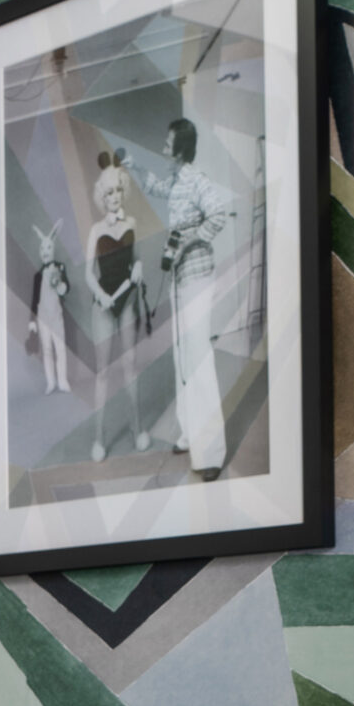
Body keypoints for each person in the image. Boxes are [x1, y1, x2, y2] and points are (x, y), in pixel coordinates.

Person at [153, 116, 229, 478]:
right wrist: (133, 168)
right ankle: (189, 434)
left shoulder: (197, 180)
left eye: (168, 143)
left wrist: (191, 239)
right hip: (179, 279)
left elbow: (218, 214)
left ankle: (211, 454)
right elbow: (160, 189)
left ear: (181, 149)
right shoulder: (177, 180)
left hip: (197, 277)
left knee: (198, 360)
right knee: (183, 359)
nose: (163, 147)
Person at [84, 152, 148, 461]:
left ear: (124, 190)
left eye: (117, 190)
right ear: (101, 196)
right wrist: (101, 294)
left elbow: (135, 262)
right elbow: (86, 274)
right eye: (108, 192)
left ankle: (138, 430)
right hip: (103, 304)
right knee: (103, 373)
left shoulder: (133, 223)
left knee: (130, 365)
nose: (113, 197)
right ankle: (99, 440)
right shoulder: (95, 230)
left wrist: (139, 269)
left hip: (128, 302)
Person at [24, 222, 70, 395]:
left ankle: (62, 380)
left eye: (48, 248)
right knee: (47, 350)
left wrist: (61, 286)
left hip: (56, 316)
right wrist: (32, 321)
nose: (45, 251)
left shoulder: (60, 268)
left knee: (60, 348)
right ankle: (51, 382)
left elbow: (66, 288)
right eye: (42, 248)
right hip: (42, 318)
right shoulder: (38, 276)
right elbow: (34, 299)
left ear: (53, 249)